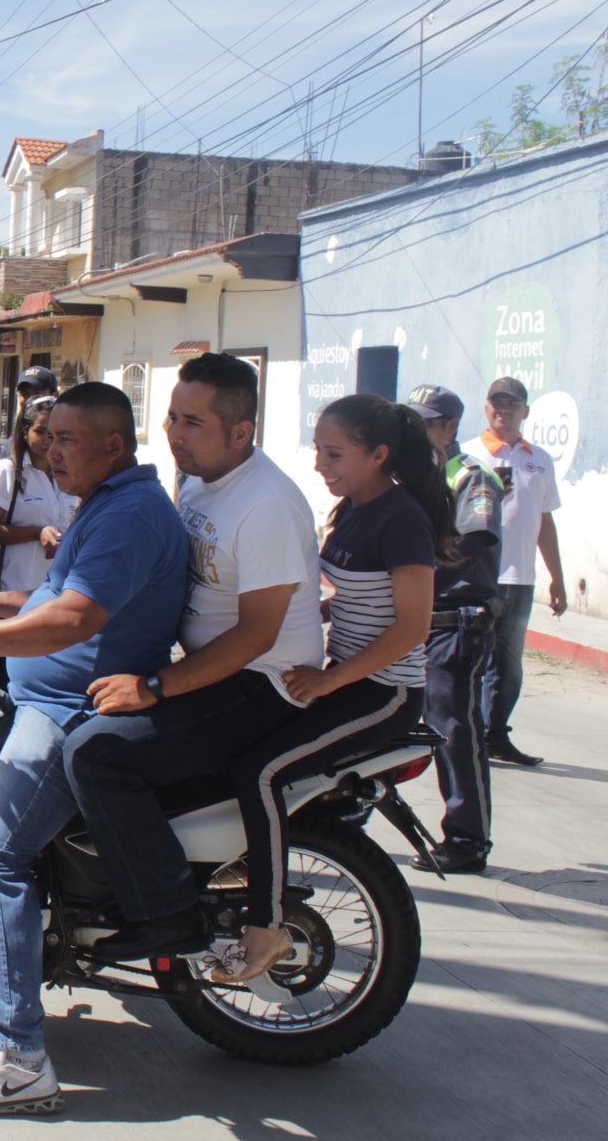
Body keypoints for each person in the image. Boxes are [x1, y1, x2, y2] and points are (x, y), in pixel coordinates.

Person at [0, 382, 189, 1119]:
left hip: (64, 710)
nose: (48, 450)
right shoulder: (105, 502)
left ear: (113, 446)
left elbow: (72, 618)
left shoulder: (125, 514)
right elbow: (52, 596)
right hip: (43, 696)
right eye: (46, 437)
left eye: (65, 439)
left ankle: (18, 1055)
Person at [60, 352, 325, 959]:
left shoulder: (267, 505)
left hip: (259, 685)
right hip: (208, 669)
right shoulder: (201, 479)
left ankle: (168, 913)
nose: (175, 434)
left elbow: (257, 635)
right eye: (173, 418)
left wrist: (154, 687)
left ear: (240, 432)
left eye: (193, 423)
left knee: (96, 753)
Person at [211, 394, 451, 984]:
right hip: (347, 677)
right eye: (319, 450)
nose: (321, 464)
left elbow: (412, 627)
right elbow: (360, 596)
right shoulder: (352, 510)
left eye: (336, 453)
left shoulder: (400, 520)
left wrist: (329, 679)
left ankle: (265, 927)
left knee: (261, 772)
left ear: (379, 455)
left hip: (383, 693)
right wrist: (314, 613)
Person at [409, 384, 504, 874]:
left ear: (449, 427)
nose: (416, 430)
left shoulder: (471, 476)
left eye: (425, 422)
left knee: (453, 729)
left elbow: (473, 541)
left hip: (452, 620)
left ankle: (467, 839)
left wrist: (417, 584)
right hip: (413, 620)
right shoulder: (413, 476)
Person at [462, 376, 564, 767]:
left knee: (508, 667)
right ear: (486, 407)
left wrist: (556, 576)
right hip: (476, 577)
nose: (503, 409)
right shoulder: (468, 455)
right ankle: (464, 733)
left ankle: (495, 735)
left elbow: (545, 522)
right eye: (496, 402)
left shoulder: (539, 460)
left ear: (525, 410)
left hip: (519, 580)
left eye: (512, 403)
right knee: (470, 660)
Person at [0, 394, 74, 688]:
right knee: (11, 668)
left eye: (57, 434)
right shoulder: (10, 473)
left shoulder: (71, 474)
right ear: (24, 431)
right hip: (17, 588)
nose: (49, 441)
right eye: (41, 432)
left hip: (62, 590)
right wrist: (36, 533)